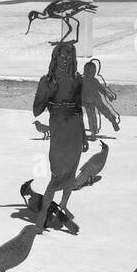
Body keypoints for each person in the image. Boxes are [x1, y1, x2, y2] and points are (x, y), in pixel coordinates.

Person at [32, 41, 86, 232]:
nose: (66, 60)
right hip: (59, 126)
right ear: (55, 58)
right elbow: (36, 110)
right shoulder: (47, 80)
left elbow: (80, 109)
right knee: (57, 174)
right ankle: (42, 215)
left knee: (70, 175)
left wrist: (85, 137)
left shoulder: (78, 79)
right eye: (62, 56)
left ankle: (62, 205)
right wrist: (49, 89)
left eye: (69, 57)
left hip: (75, 129)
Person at [81, 58, 120, 141]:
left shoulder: (85, 80)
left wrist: (108, 95)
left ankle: (96, 131)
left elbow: (101, 89)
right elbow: (101, 89)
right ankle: (95, 131)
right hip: (91, 100)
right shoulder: (85, 80)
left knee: (95, 115)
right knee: (97, 114)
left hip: (91, 100)